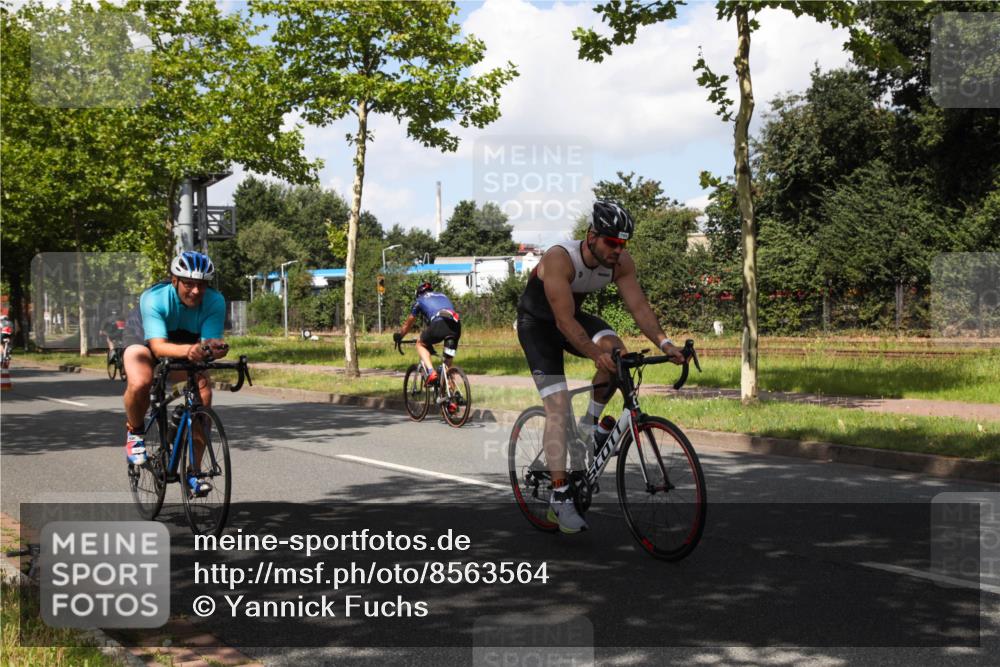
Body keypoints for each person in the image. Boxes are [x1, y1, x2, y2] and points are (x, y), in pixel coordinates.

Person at [516, 200, 686, 534]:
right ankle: (560, 497)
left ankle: (588, 426)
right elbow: (563, 321)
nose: (617, 250)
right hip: (538, 325)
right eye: (611, 242)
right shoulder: (559, 258)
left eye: (623, 244)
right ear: (591, 235)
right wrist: (595, 355)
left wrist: (666, 345)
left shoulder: (620, 263)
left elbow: (638, 306)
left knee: (618, 352)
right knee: (558, 405)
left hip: (570, 319)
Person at [121, 251, 228, 497]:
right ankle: (135, 432)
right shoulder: (154, 298)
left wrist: (214, 349)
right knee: (141, 382)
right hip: (145, 336)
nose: (195, 291)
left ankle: (194, 471)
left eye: (201, 285)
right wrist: (191, 350)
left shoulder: (215, 301)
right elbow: (158, 347)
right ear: (174, 281)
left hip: (185, 339)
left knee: (202, 390)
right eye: (188, 284)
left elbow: (208, 344)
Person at [393, 282, 462, 410]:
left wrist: (400, 336)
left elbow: (409, 323)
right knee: (447, 366)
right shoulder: (442, 295)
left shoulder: (419, 300)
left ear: (418, 293)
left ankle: (431, 372)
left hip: (439, 324)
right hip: (455, 327)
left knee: (420, 344)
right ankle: (452, 400)